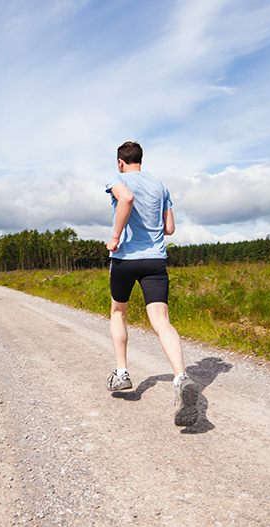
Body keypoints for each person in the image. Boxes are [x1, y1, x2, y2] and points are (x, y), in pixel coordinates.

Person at [104, 141, 199, 427]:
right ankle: (181, 376)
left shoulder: (117, 179)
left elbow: (127, 199)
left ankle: (122, 373)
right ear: (140, 160)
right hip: (156, 260)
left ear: (120, 162)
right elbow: (169, 228)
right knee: (161, 320)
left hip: (125, 259)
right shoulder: (160, 185)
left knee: (118, 312)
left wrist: (116, 237)